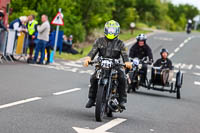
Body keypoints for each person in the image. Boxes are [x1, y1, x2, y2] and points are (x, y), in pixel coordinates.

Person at [83, 20, 132, 109]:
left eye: (113, 30)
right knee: (93, 78)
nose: (111, 32)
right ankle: (91, 98)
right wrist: (88, 58)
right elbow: (93, 51)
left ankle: (122, 100)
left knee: (123, 78)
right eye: (109, 30)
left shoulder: (120, 43)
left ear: (117, 31)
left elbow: (124, 54)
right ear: (106, 30)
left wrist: (127, 62)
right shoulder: (99, 41)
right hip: (102, 64)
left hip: (115, 65)